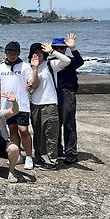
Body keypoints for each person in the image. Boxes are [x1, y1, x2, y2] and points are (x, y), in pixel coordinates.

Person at [0, 41, 37, 170]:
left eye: (14, 53)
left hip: (22, 104)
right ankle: (18, 155)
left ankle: (29, 156)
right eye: (9, 52)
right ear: (5, 53)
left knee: (23, 130)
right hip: (7, 106)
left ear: (19, 53)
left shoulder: (25, 66)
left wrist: (34, 71)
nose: (12, 55)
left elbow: (31, 83)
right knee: (12, 130)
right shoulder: (0, 67)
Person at [28, 42, 71, 170]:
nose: (37, 56)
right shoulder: (29, 68)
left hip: (50, 104)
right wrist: (34, 68)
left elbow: (67, 60)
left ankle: (52, 161)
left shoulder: (50, 65)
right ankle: (40, 157)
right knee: (38, 134)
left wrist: (52, 51)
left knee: (50, 133)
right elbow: (30, 87)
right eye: (35, 53)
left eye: (40, 53)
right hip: (35, 104)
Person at [53, 34, 84, 164]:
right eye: (56, 48)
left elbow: (80, 62)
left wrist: (73, 48)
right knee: (55, 123)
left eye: (61, 48)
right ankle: (58, 148)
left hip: (67, 92)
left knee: (68, 123)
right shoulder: (51, 62)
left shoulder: (69, 61)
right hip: (53, 93)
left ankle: (71, 152)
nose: (59, 50)